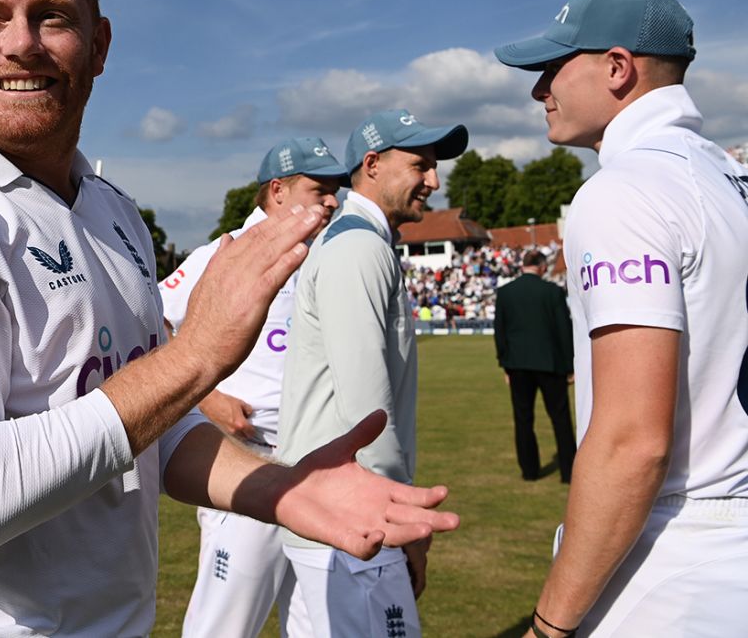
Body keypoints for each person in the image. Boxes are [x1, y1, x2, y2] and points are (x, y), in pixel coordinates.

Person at [0, 0, 458, 637]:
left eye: (52, 16)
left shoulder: (115, 213)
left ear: (99, 44)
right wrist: (194, 355)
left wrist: (283, 488)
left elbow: (157, 424)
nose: (21, 43)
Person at [495, 0, 748, 637]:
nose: (537, 90)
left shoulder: (625, 192)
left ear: (617, 67)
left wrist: (547, 624)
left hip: (680, 556)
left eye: (552, 68)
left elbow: (633, 443)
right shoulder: (727, 176)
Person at [278, 108, 468, 638]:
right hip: (356, 517)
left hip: (331, 513)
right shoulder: (359, 246)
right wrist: (403, 523)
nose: (434, 180)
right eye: (421, 165)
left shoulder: (360, 241)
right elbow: (368, 411)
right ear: (372, 164)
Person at [161, 138, 349, 638]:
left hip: (318, 464)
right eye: (320, 189)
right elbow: (150, 318)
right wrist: (205, 397)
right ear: (278, 191)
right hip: (249, 460)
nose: (333, 200)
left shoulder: (325, 255)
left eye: (336, 190)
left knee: (317, 624)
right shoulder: (225, 253)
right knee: (225, 626)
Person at [493, 250, 576, 483]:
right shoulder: (552, 292)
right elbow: (564, 329)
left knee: (523, 419)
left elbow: (500, 332)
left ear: (523, 265)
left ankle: (529, 471)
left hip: (518, 364)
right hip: (550, 364)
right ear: (541, 267)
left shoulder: (506, 293)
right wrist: (570, 365)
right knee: (560, 419)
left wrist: (505, 364)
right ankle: (568, 472)